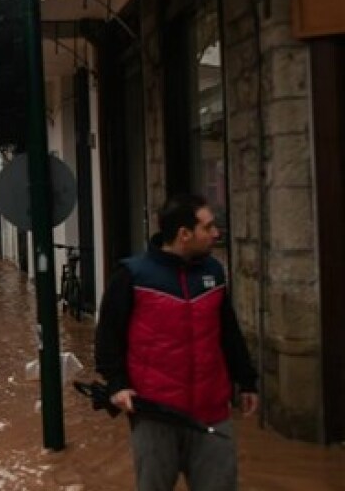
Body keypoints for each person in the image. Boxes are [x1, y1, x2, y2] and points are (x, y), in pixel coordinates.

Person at [95, 194, 258, 491]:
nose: (216, 233)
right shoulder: (132, 276)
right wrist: (117, 384)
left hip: (212, 411)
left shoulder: (213, 272)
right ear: (184, 234)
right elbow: (108, 338)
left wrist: (246, 380)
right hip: (155, 415)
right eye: (207, 227)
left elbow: (227, 331)